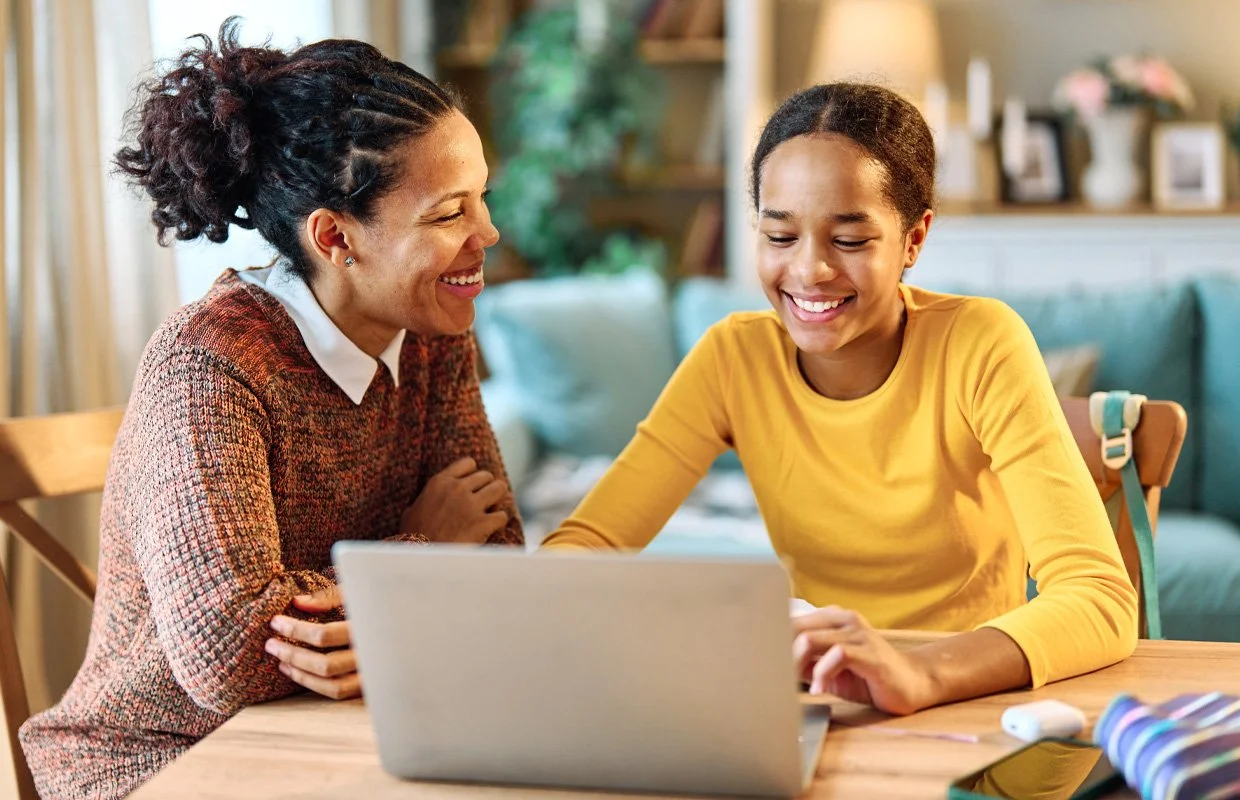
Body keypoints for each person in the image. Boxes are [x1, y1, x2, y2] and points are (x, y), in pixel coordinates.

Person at [19, 19, 521, 800]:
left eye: (481, 199)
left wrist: (368, 603)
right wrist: (426, 547)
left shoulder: (429, 330)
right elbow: (232, 660)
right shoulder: (211, 365)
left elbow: (497, 562)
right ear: (335, 238)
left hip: (348, 728)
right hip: (156, 760)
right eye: (448, 213)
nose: (487, 233)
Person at [542, 82, 1137, 715]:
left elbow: (1099, 596)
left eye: (849, 241)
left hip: (964, 696)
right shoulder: (732, 358)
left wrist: (916, 673)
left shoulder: (980, 343)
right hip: (819, 701)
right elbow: (585, 546)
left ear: (914, 239)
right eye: (779, 237)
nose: (809, 271)